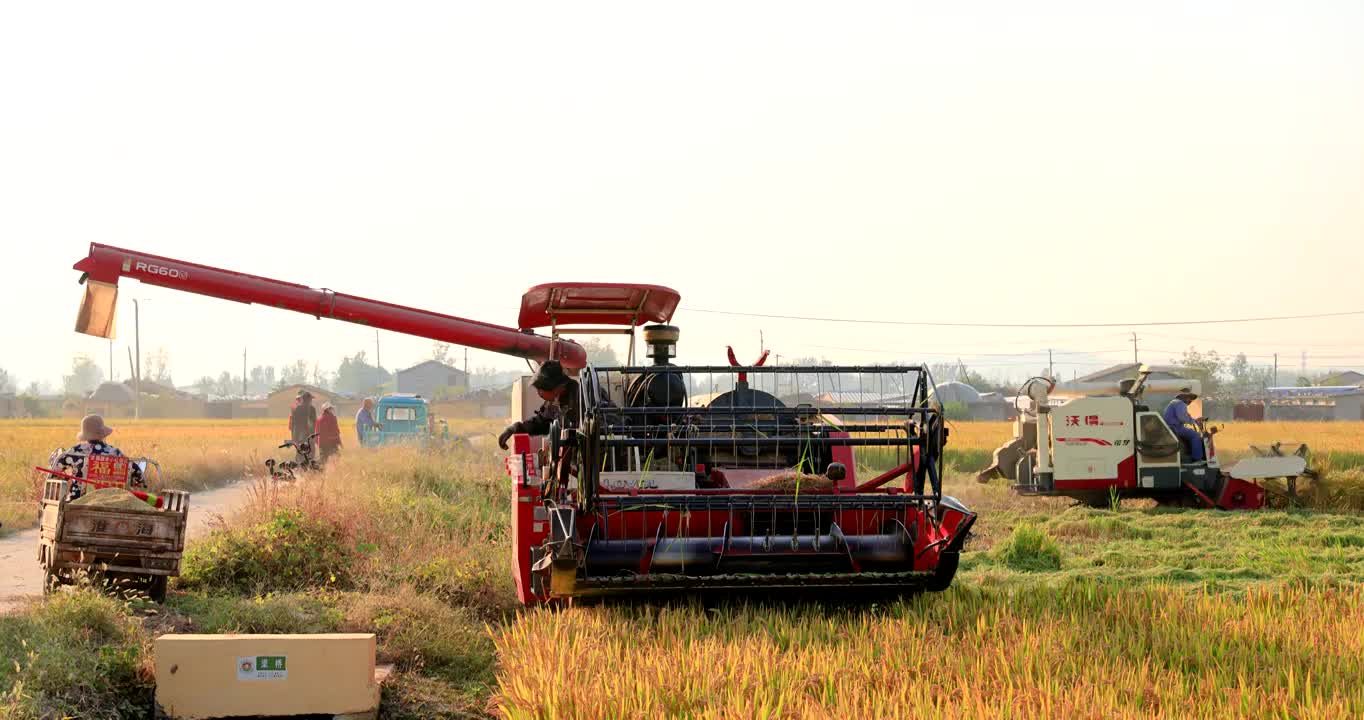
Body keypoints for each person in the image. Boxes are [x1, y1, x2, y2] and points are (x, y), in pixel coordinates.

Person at [49, 414, 143, 499]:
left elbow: (54, 473)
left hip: (77, 500)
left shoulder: (75, 452)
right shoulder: (115, 452)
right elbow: (138, 475)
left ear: (85, 435)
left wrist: (66, 477)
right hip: (112, 501)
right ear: (103, 434)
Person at [498, 360, 579, 450]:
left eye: (540, 389)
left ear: (553, 386)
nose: (539, 394)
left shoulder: (578, 397)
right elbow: (540, 423)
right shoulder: (554, 402)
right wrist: (515, 428)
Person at [1163, 387, 1206, 462]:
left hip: (1171, 427)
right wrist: (1195, 421)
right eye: (1189, 398)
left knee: (1191, 433)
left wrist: (1195, 420)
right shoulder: (1180, 403)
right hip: (1175, 428)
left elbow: (1184, 416)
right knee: (1195, 435)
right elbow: (1183, 418)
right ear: (1184, 397)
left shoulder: (1174, 402)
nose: (1190, 400)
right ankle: (1197, 459)